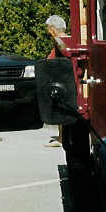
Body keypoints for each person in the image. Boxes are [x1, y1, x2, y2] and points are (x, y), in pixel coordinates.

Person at [44, 14, 69, 147]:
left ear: (53, 28)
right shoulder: (61, 39)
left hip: (62, 79)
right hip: (60, 78)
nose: (48, 31)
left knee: (61, 109)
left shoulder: (60, 40)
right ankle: (61, 137)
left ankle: (62, 138)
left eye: (48, 28)